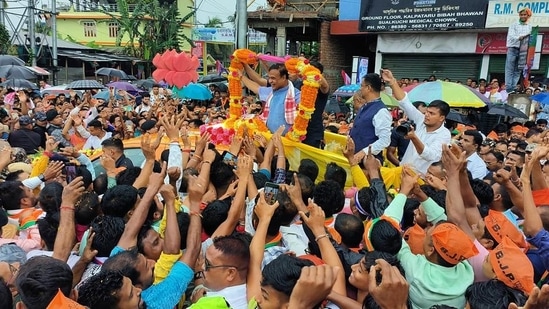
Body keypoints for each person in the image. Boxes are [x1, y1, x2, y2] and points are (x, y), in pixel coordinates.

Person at [382, 69, 451, 175]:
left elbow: (430, 155)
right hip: (402, 172)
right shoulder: (420, 120)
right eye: (427, 112)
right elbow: (405, 103)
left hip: (421, 180)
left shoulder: (444, 134)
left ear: (441, 118)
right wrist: (392, 82)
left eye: (432, 113)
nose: (427, 115)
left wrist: (414, 138)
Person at [241, 63, 301, 136]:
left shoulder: (296, 94)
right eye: (269, 78)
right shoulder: (271, 92)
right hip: (269, 138)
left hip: (287, 142)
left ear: (283, 77)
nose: (270, 81)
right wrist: (242, 75)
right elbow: (255, 88)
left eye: (273, 78)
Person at [349, 73, 392, 163]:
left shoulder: (381, 111)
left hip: (368, 163)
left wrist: (363, 152)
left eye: (362, 86)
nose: (360, 89)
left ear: (369, 88)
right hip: (355, 160)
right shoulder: (364, 107)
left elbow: (385, 140)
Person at [505, 8, 532, 91]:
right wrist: (519, 38)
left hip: (523, 51)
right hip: (513, 48)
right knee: (510, 69)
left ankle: (513, 87)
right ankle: (509, 88)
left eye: (525, 14)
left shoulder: (529, 26)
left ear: (528, 16)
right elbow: (511, 36)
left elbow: (530, 38)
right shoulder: (514, 24)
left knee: (518, 70)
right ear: (519, 15)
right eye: (522, 14)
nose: (523, 16)